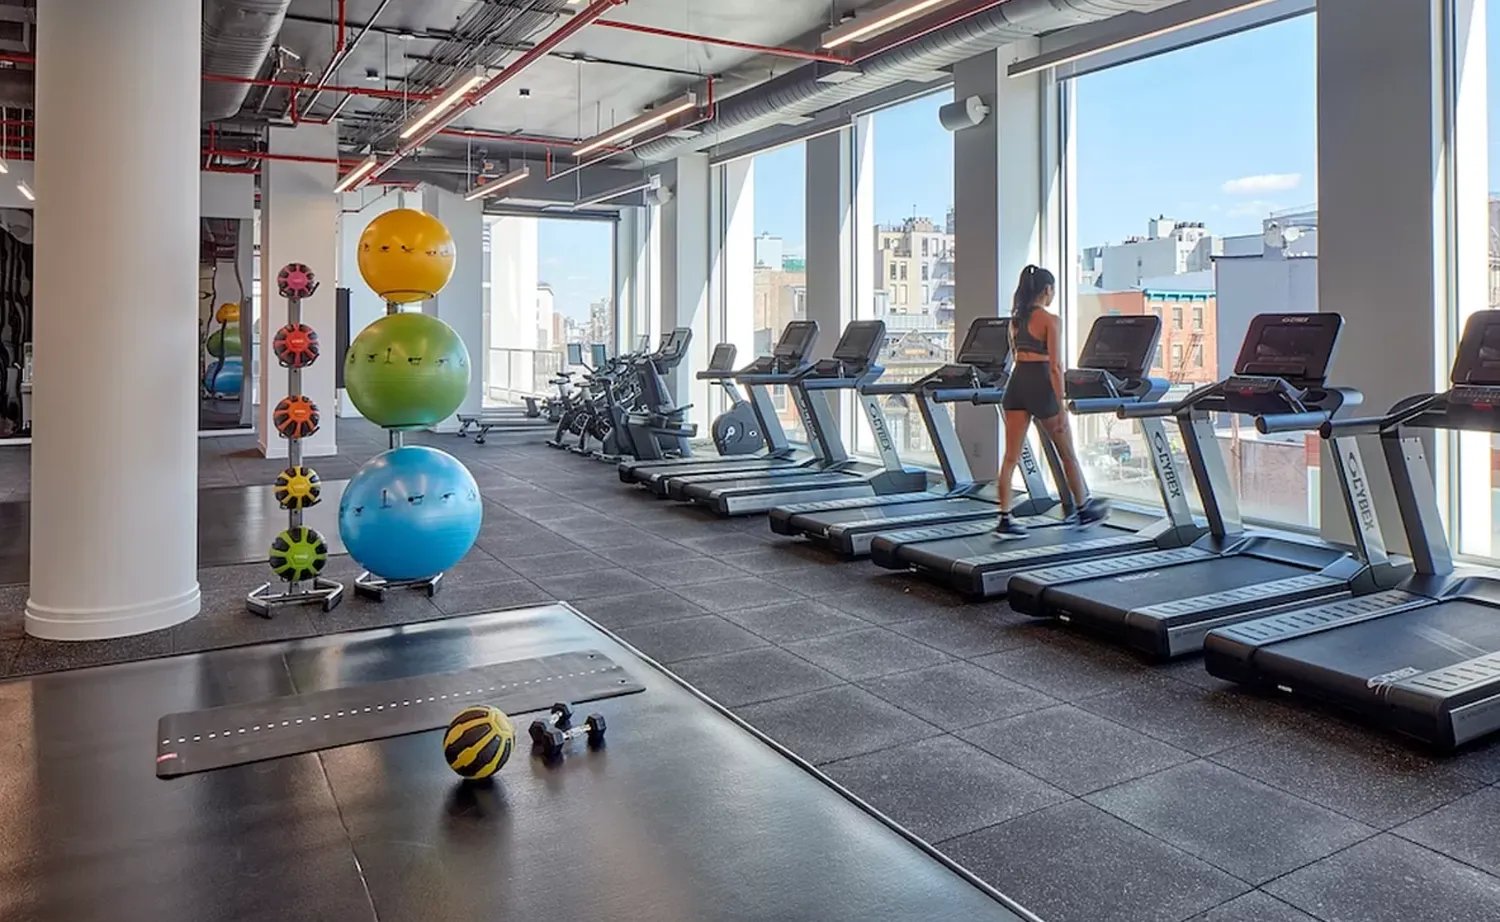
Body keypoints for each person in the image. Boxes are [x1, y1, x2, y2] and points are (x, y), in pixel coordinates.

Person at [994, 264, 1110, 539]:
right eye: (1053, 289)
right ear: (1048, 290)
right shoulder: (1051, 320)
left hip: (1017, 383)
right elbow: (1056, 366)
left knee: (1010, 456)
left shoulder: (1015, 320)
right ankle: (1083, 508)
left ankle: (1004, 517)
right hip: (1041, 384)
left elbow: (1016, 354)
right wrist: (1060, 403)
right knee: (1066, 451)